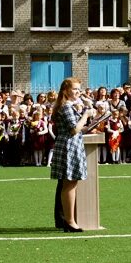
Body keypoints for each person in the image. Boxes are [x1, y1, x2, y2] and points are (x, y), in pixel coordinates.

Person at [50, 78, 95, 232]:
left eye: (78, 89)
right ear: (65, 91)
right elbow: (74, 129)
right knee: (69, 183)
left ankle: (68, 220)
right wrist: (86, 114)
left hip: (71, 144)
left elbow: (76, 128)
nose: (78, 92)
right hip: (68, 146)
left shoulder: (67, 106)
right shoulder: (66, 107)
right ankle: (69, 221)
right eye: (75, 89)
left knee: (71, 183)